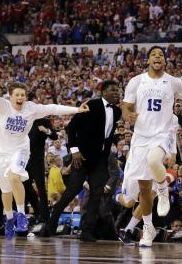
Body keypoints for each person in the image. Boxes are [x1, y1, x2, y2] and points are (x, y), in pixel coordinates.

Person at [0, 82, 89, 240]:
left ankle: (21, 216)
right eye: (17, 95)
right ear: (10, 96)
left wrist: (77, 109)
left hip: (20, 149)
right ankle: (10, 218)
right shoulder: (2, 105)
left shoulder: (31, 108)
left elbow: (53, 108)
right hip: (0, 152)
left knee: (14, 176)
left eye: (22, 95)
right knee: (5, 190)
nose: (20, 98)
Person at [121, 46, 182, 247]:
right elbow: (126, 106)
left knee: (154, 160)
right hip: (141, 136)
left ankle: (162, 189)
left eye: (161, 55)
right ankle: (148, 228)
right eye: (154, 54)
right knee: (143, 189)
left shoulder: (173, 82)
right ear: (148, 60)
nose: (157, 57)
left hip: (162, 133)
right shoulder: (136, 81)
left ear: (165, 60)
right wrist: (128, 115)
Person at [42, 80, 121, 242]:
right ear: (104, 92)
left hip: (100, 161)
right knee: (70, 193)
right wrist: (74, 150)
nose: (117, 93)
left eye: (118, 90)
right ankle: (49, 226)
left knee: (96, 197)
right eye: (113, 90)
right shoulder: (91, 104)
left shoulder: (117, 111)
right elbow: (72, 128)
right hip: (82, 159)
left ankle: (87, 231)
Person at [24, 93, 58, 223]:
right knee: (25, 187)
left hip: (37, 161)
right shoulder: (24, 120)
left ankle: (45, 218)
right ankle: (35, 212)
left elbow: (54, 136)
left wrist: (46, 131)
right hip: (24, 160)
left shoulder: (44, 121)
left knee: (41, 189)